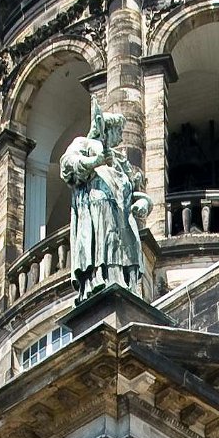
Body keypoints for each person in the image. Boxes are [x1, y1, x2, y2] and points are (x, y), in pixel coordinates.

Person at [58, 101, 151, 296]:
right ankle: (100, 279)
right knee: (105, 244)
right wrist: (96, 161)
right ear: (108, 129)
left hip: (123, 214)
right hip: (98, 204)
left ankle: (128, 285)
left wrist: (144, 202)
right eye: (118, 130)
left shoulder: (120, 159)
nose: (120, 136)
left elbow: (132, 190)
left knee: (128, 250)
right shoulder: (84, 144)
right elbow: (67, 166)